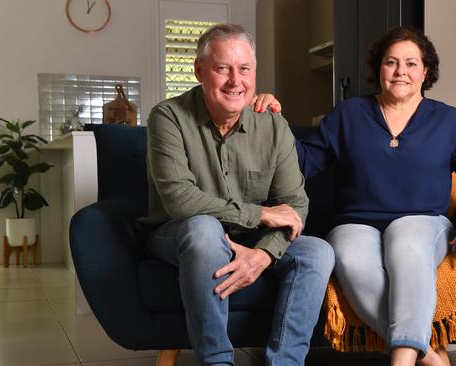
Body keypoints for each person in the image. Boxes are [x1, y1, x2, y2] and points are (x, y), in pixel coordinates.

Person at [295, 26, 456, 366]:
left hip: (424, 222)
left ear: (425, 71)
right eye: (391, 62)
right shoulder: (348, 114)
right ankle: (427, 355)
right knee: (351, 256)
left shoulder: (450, 121)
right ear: (378, 68)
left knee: (405, 240)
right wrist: (267, 122)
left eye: (411, 63)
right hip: (356, 223)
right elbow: (301, 162)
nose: (401, 71)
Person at [139, 23, 334, 366]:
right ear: (199, 71)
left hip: (250, 238)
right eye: (221, 68)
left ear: (255, 73)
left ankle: (286, 363)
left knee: (317, 252)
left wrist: (263, 254)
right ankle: (216, 360)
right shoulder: (167, 117)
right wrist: (260, 214)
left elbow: (296, 204)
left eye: (244, 69)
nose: (235, 80)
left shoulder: (272, 124)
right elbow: (180, 200)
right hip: (177, 232)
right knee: (203, 230)